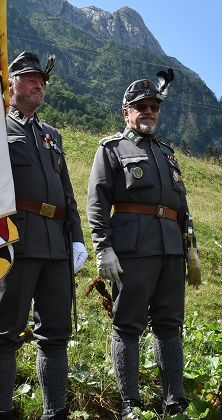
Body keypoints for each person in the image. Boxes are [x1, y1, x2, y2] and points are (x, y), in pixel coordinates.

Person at [86, 70, 195, 419]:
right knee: (128, 325)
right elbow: (97, 202)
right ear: (126, 112)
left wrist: (190, 250)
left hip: (170, 251)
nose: (149, 111)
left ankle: (174, 399)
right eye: (141, 106)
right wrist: (102, 248)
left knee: (169, 324)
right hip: (133, 250)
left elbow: (182, 205)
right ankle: (130, 403)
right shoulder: (112, 149)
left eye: (154, 107)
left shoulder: (167, 153)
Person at [0, 51, 88, 420]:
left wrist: (76, 238)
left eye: (42, 81)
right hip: (16, 240)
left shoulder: (52, 135)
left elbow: (67, 194)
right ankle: (2, 411)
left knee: (56, 333)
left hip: (55, 243)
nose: (38, 85)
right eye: (30, 78)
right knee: (6, 333)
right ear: (11, 84)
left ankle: (55, 412)